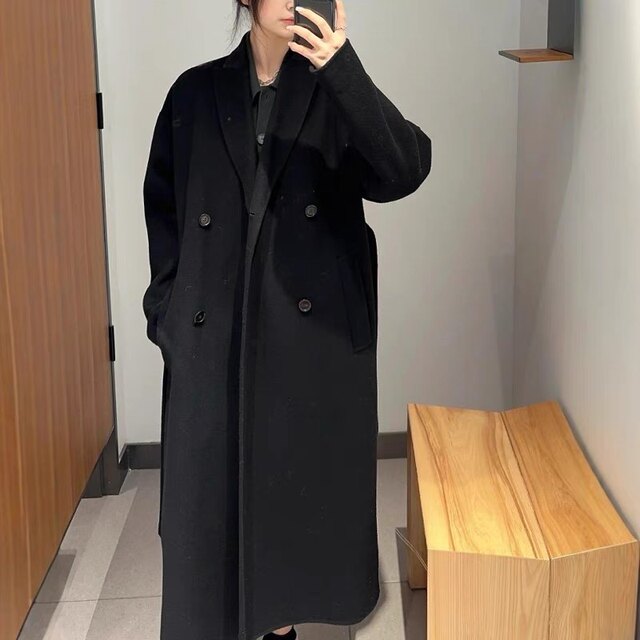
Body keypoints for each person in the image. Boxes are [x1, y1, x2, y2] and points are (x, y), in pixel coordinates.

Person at [141, 1, 432, 639]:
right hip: (213, 340)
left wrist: (342, 69)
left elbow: (406, 169)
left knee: (291, 517)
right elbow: (163, 212)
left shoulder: (334, 92)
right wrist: (167, 313)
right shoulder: (194, 94)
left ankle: (278, 629)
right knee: (210, 520)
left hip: (308, 343)